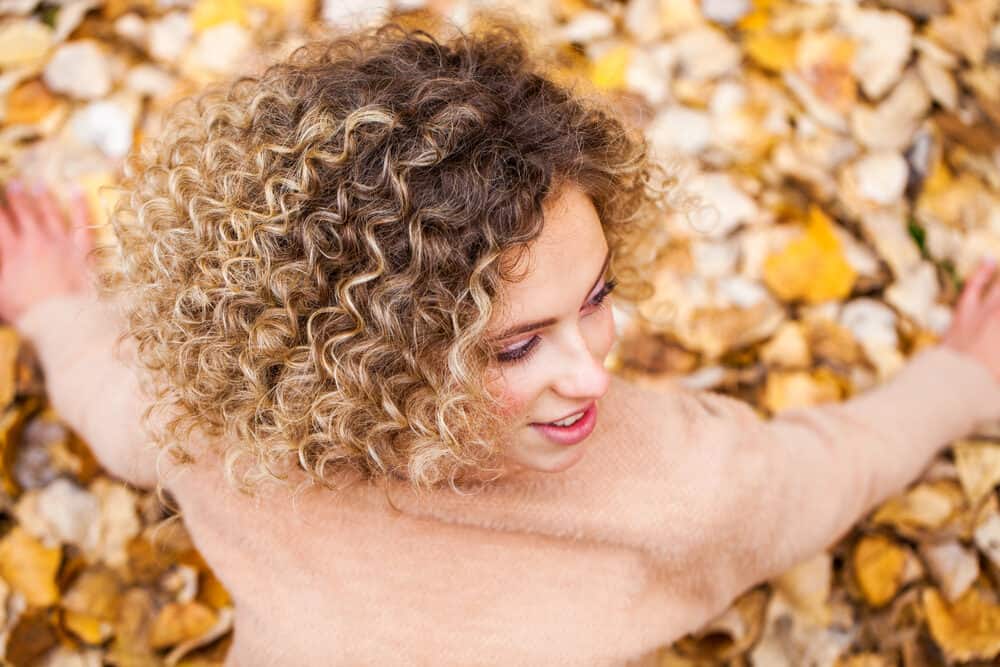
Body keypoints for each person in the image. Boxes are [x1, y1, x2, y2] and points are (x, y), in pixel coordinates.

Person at [3, 19, 1000, 667]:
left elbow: (117, 402)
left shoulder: (228, 428)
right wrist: (955, 382)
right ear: (367, 360)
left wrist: (52, 306)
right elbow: (813, 476)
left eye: (596, 294)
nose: (590, 368)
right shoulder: (681, 483)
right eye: (512, 347)